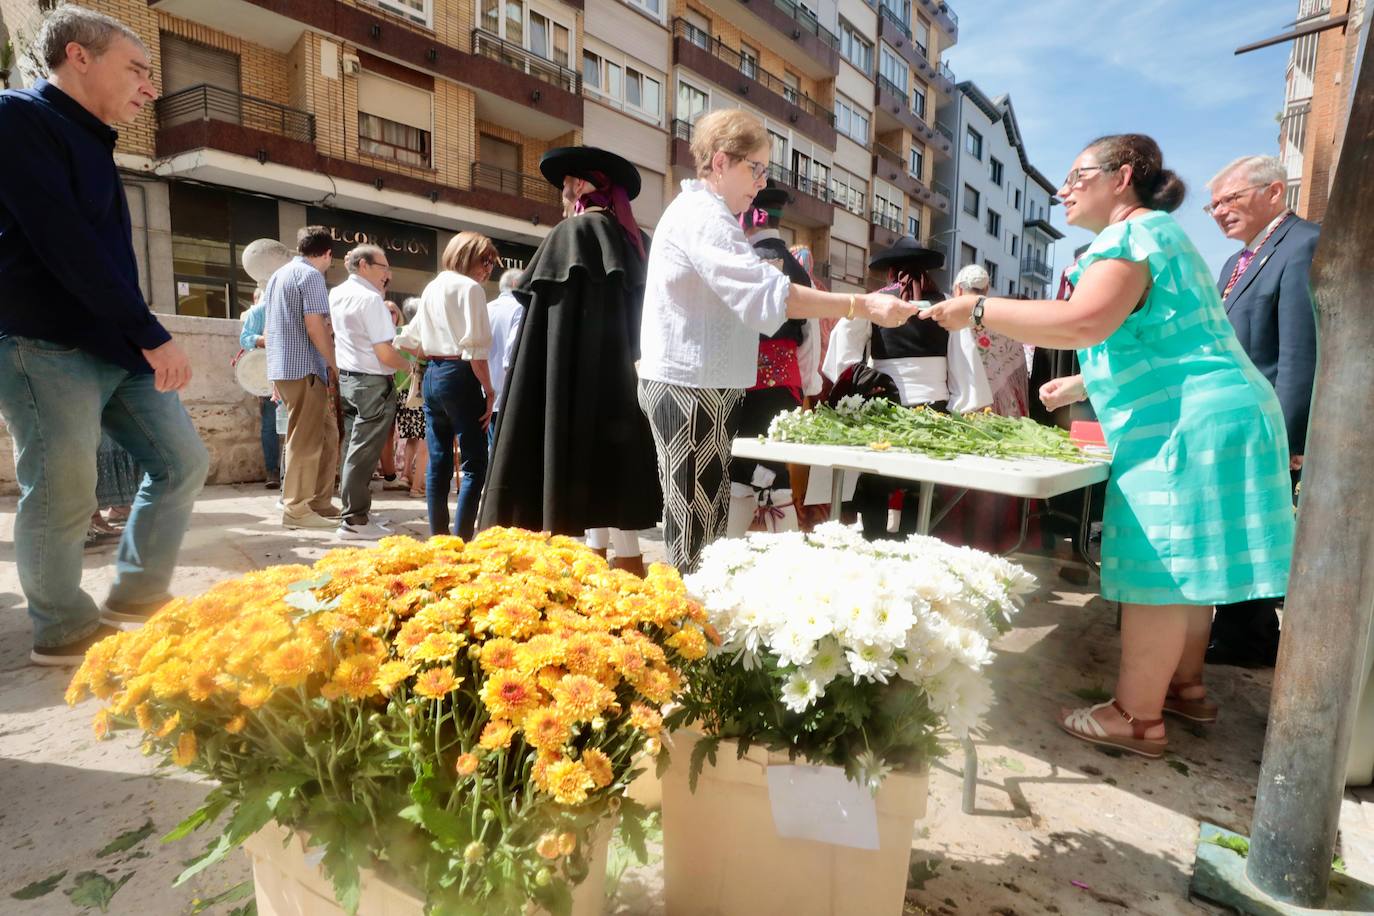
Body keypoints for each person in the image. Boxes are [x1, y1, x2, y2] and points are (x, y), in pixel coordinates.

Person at [920, 133, 1295, 758]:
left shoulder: (1128, 237)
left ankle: (1135, 717)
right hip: (1225, 413)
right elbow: (1156, 336)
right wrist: (1080, 379)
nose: (1063, 190)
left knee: (1158, 569)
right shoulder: (1166, 237)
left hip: (1185, 425)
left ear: (1121, 177)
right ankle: (1184, 688)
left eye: (1076, 175)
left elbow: (1084, 320)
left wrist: (977, 310)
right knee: (1187, 571)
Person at [0, 6, 210, 665]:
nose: (149, 89)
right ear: (78, 57)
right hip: (44, 342)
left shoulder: (93, 140)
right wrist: (151, 332)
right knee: (63, 493)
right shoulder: (17, 116)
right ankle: (61, 629)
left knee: (181, 463)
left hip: (114, 345)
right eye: (138, 70)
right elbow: (63, 243)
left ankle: (135, 597)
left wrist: (137, 335)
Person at [636, 108, 920, 573]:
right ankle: (689, 635)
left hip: (704, 386)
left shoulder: (710, 214)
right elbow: (772, 296)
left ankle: (698, 631)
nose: (760, 182)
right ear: (723, 161)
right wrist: (861, 306)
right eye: (756, 168)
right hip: (690, 389)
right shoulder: (702, 215)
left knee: (705, 525)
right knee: (694, 531)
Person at [480, 146, 658, 574]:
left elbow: (547, 335)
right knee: (614, 472)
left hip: (572, 387)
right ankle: (628, 575)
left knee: (578, 466)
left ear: (580, 186)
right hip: (627, 388)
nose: (562, 195)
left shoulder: (569, 236)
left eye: (564, 187)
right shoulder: (639, 245)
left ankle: (588, 574)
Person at [1204, 154, 1318, 669]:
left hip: (1270, 424)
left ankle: (1249, 638)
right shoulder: (1235, 263)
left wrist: (1292, 438)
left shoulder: (1304, 246)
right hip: (1238, 421)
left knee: (1255, 531)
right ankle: (1238, 635)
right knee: (1235, 528)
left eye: (1229, 199)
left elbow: (1299, 352)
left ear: (1274, 192)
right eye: (1213, 205)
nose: (1218, 212)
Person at [821, 239, 988, 540]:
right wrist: (959, 406)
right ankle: (913, 544)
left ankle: (873, 542)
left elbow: (842, 343)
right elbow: (963, 359)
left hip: (882, 405)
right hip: (934, 408)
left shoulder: (875, 302)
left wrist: (856, 379)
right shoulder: (947, 304)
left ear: (890, 272)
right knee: (919, 482)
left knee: (875, 477)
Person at [726, 183, 821, 537]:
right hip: (785, 383)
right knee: (772, 460)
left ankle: (731, 547)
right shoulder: (799, 269)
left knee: (742, 463)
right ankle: (785, 551)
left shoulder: (741, 262)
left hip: (740, 382)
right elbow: (810, 335)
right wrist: (807, 385)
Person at [395, 231, 496, 539]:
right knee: (474, 462)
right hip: (460, 373)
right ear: (471, 257)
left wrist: (435, 350)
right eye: (486, 260)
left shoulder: (432, 287)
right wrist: (490, 391)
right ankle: (463, 539)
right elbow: (477, 354)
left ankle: (439, 538)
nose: (489, 268)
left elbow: (409, 340)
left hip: (434, 374)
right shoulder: (470, 289)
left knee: (438, 460)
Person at [329, 244, 409, 539]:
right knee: (362, 452)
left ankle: (355, 512)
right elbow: (384, 353)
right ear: (364, 265)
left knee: (352, 447)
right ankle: (354, 520)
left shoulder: (336, 293)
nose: (387, 274)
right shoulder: (371, 299)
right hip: (371, 382)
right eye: (383, 267)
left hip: (349, 380)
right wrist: (410, 367)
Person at [264, 225, 339, 529]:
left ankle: (318, 501)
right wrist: (335, 363)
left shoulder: (278, 276)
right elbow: (315, 326)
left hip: (287, 369)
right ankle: (297, 509)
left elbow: (271, 329)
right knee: (304, 440)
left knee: (327, 435)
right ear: (328, 254)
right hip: (306, 368)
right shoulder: (311, 276)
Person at [484, 268, 524, 451]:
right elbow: (512, 350)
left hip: (484, 389)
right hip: (508, 390)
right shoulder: (519, 308)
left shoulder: (486, 308)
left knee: (491, 447)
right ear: (516, 284)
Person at [393, 297, 429, 498]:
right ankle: (418, 485)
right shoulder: (421, 336)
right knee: (425, 438)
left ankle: (406, 475)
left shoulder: (398, 333)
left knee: (412, 437)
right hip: (419, 390)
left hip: (403, 392)